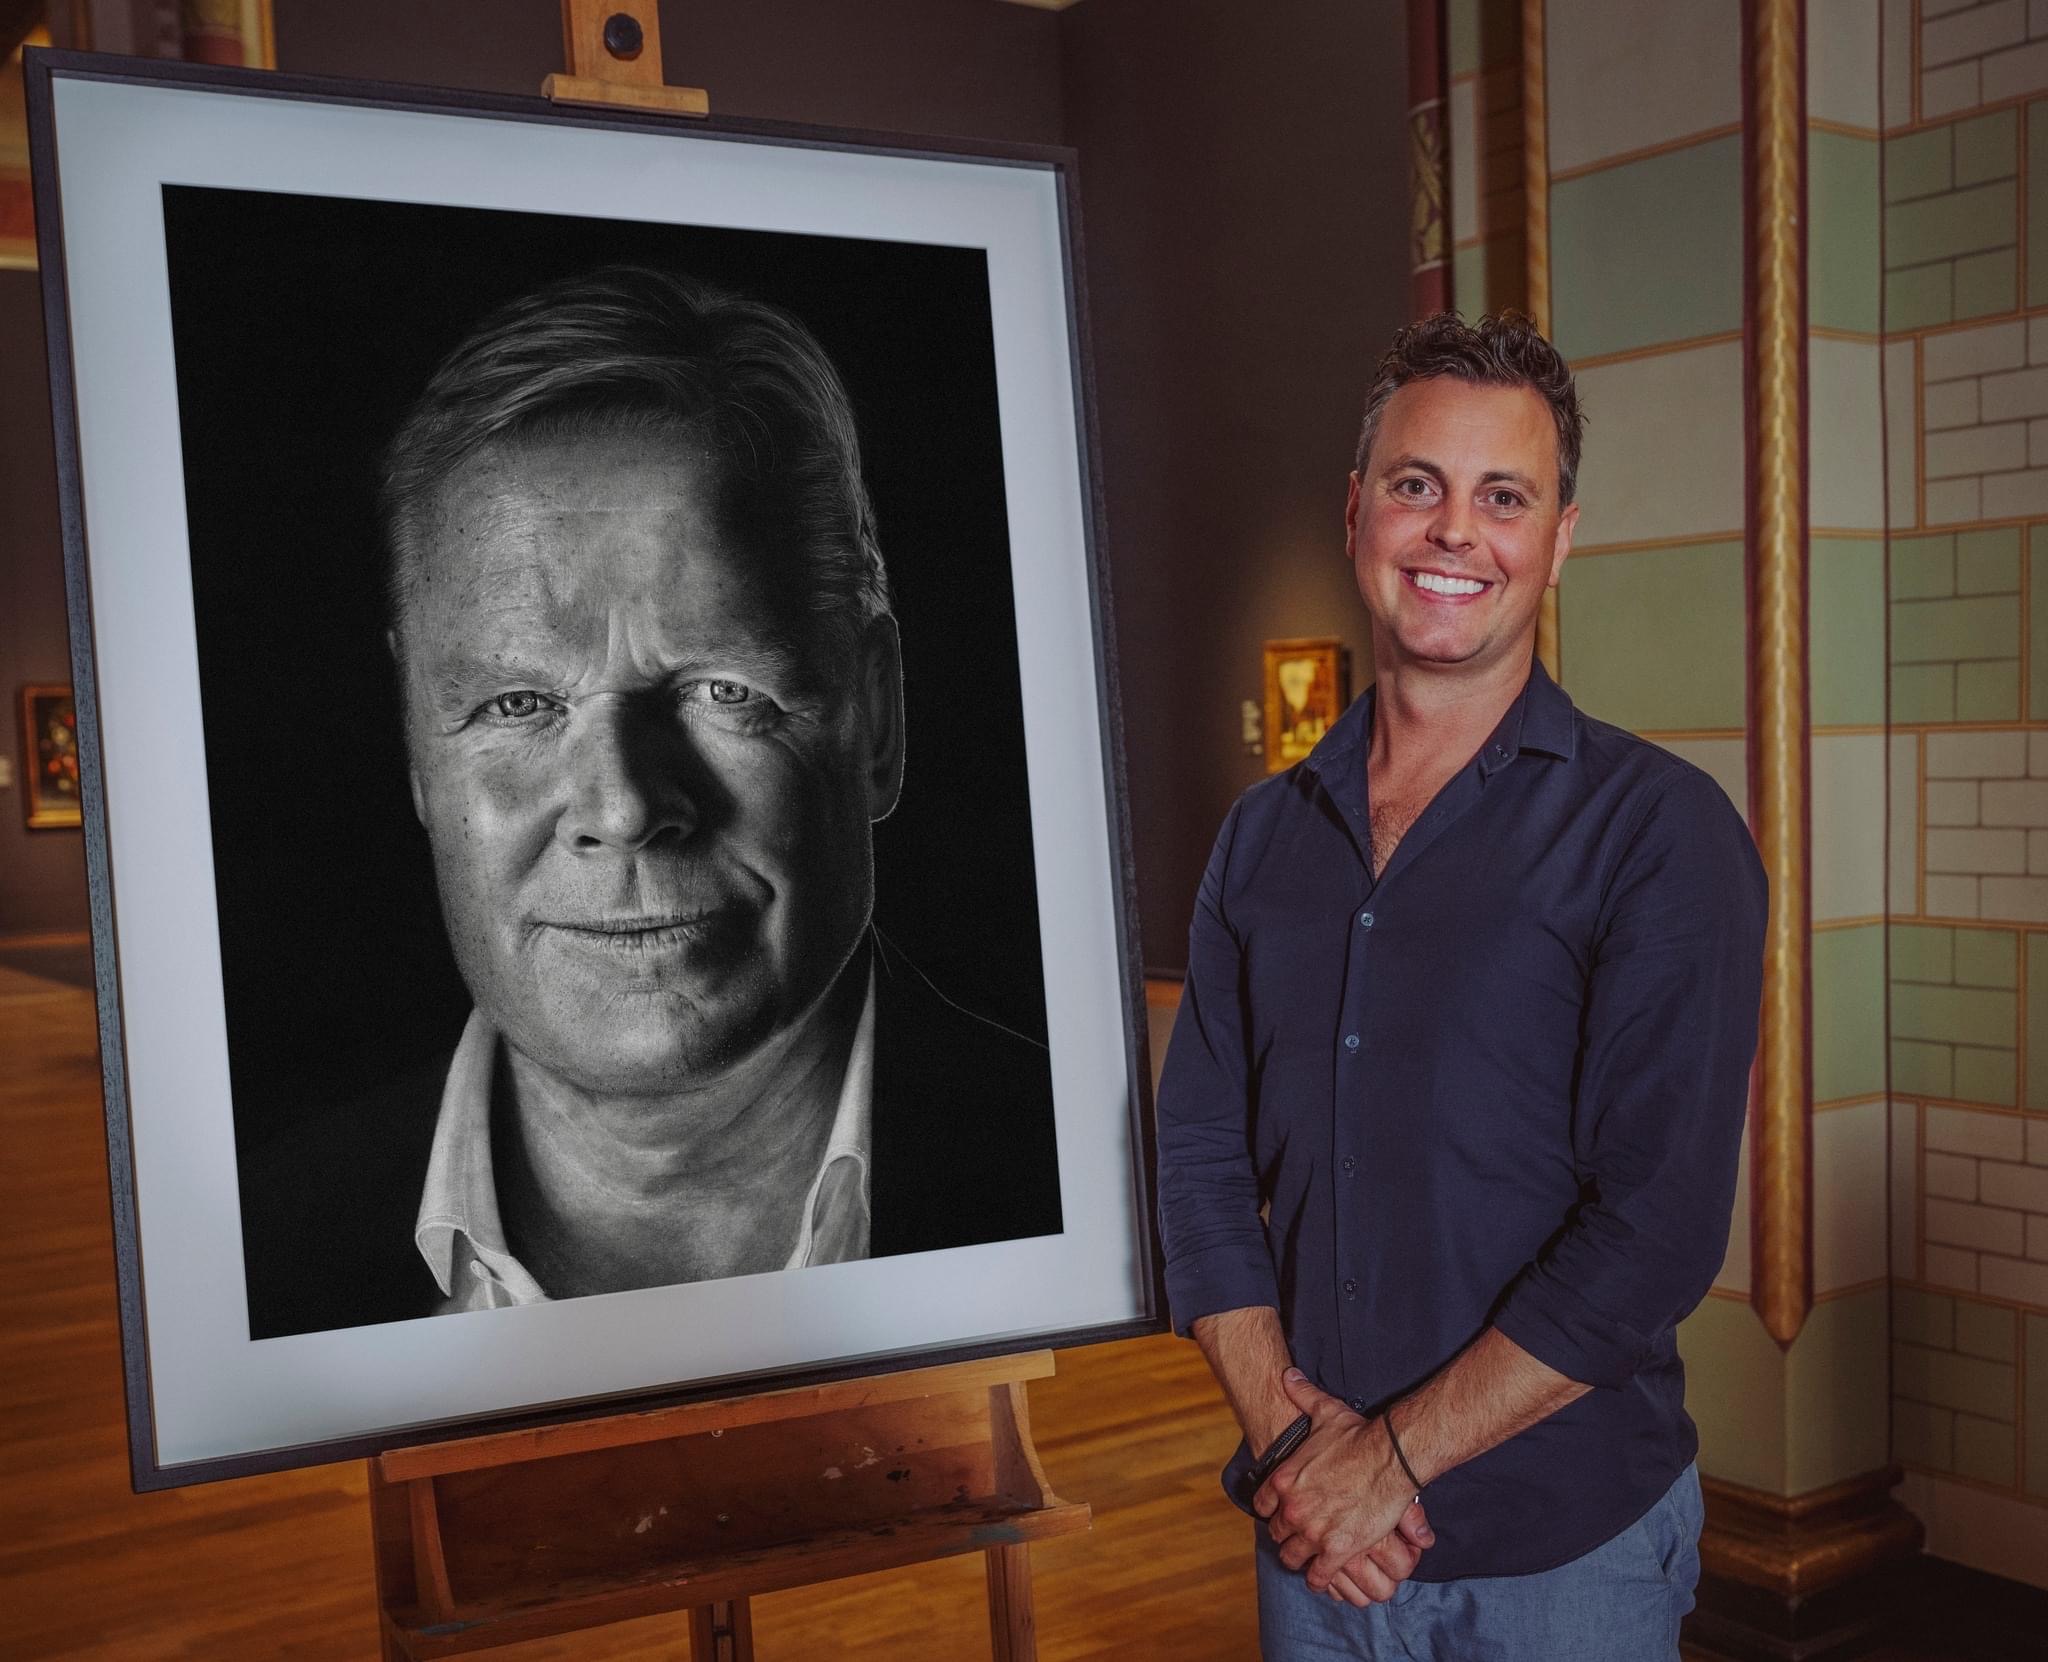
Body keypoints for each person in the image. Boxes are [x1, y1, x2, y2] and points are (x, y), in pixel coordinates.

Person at [241, 266, 1062, 1338]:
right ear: (414, 747)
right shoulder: (260, 1257)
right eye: (517, 703)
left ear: (876, 718)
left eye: (723, 691)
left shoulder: (1092, 1186)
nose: (624, 807)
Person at [1155, 311, 1767, 1658]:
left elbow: (1654, 1231)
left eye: (1504, 497)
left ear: (1559, 538)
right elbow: (1198, 1159)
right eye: (1417, 484)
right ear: (1356, 511)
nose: (1453, 532)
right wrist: (1294, 1445)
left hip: (1564, 1552)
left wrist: (1387, 1463)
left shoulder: (1658, 833)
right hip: (1315, 1542)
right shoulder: (1261, 838)